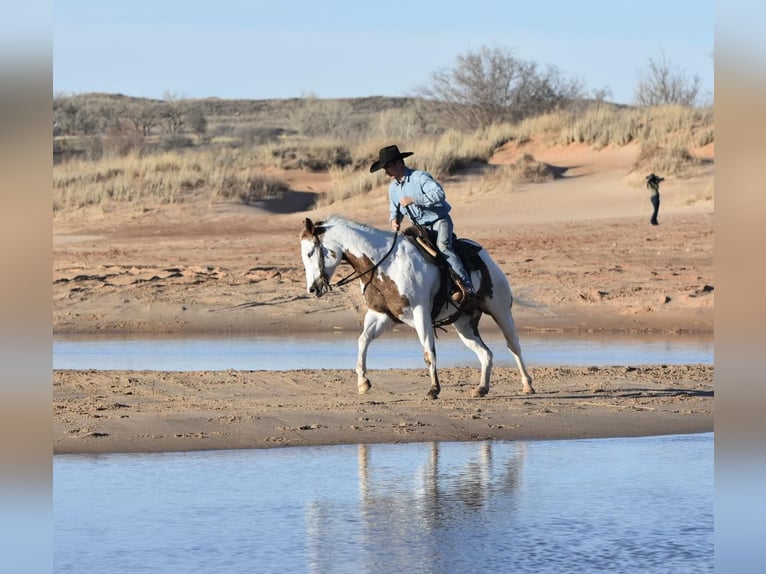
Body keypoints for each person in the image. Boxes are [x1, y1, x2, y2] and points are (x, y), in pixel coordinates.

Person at [370, 144, 475, 302]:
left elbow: (439, 194)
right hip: (419, 228)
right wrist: (394, 221)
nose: (385, 172)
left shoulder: (419, 177)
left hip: (439, 222)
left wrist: (414, 199)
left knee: (443, 247)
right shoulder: (393, 188)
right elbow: (394, 209)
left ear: (399, 163)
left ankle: (466, 287)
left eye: (387, 167)